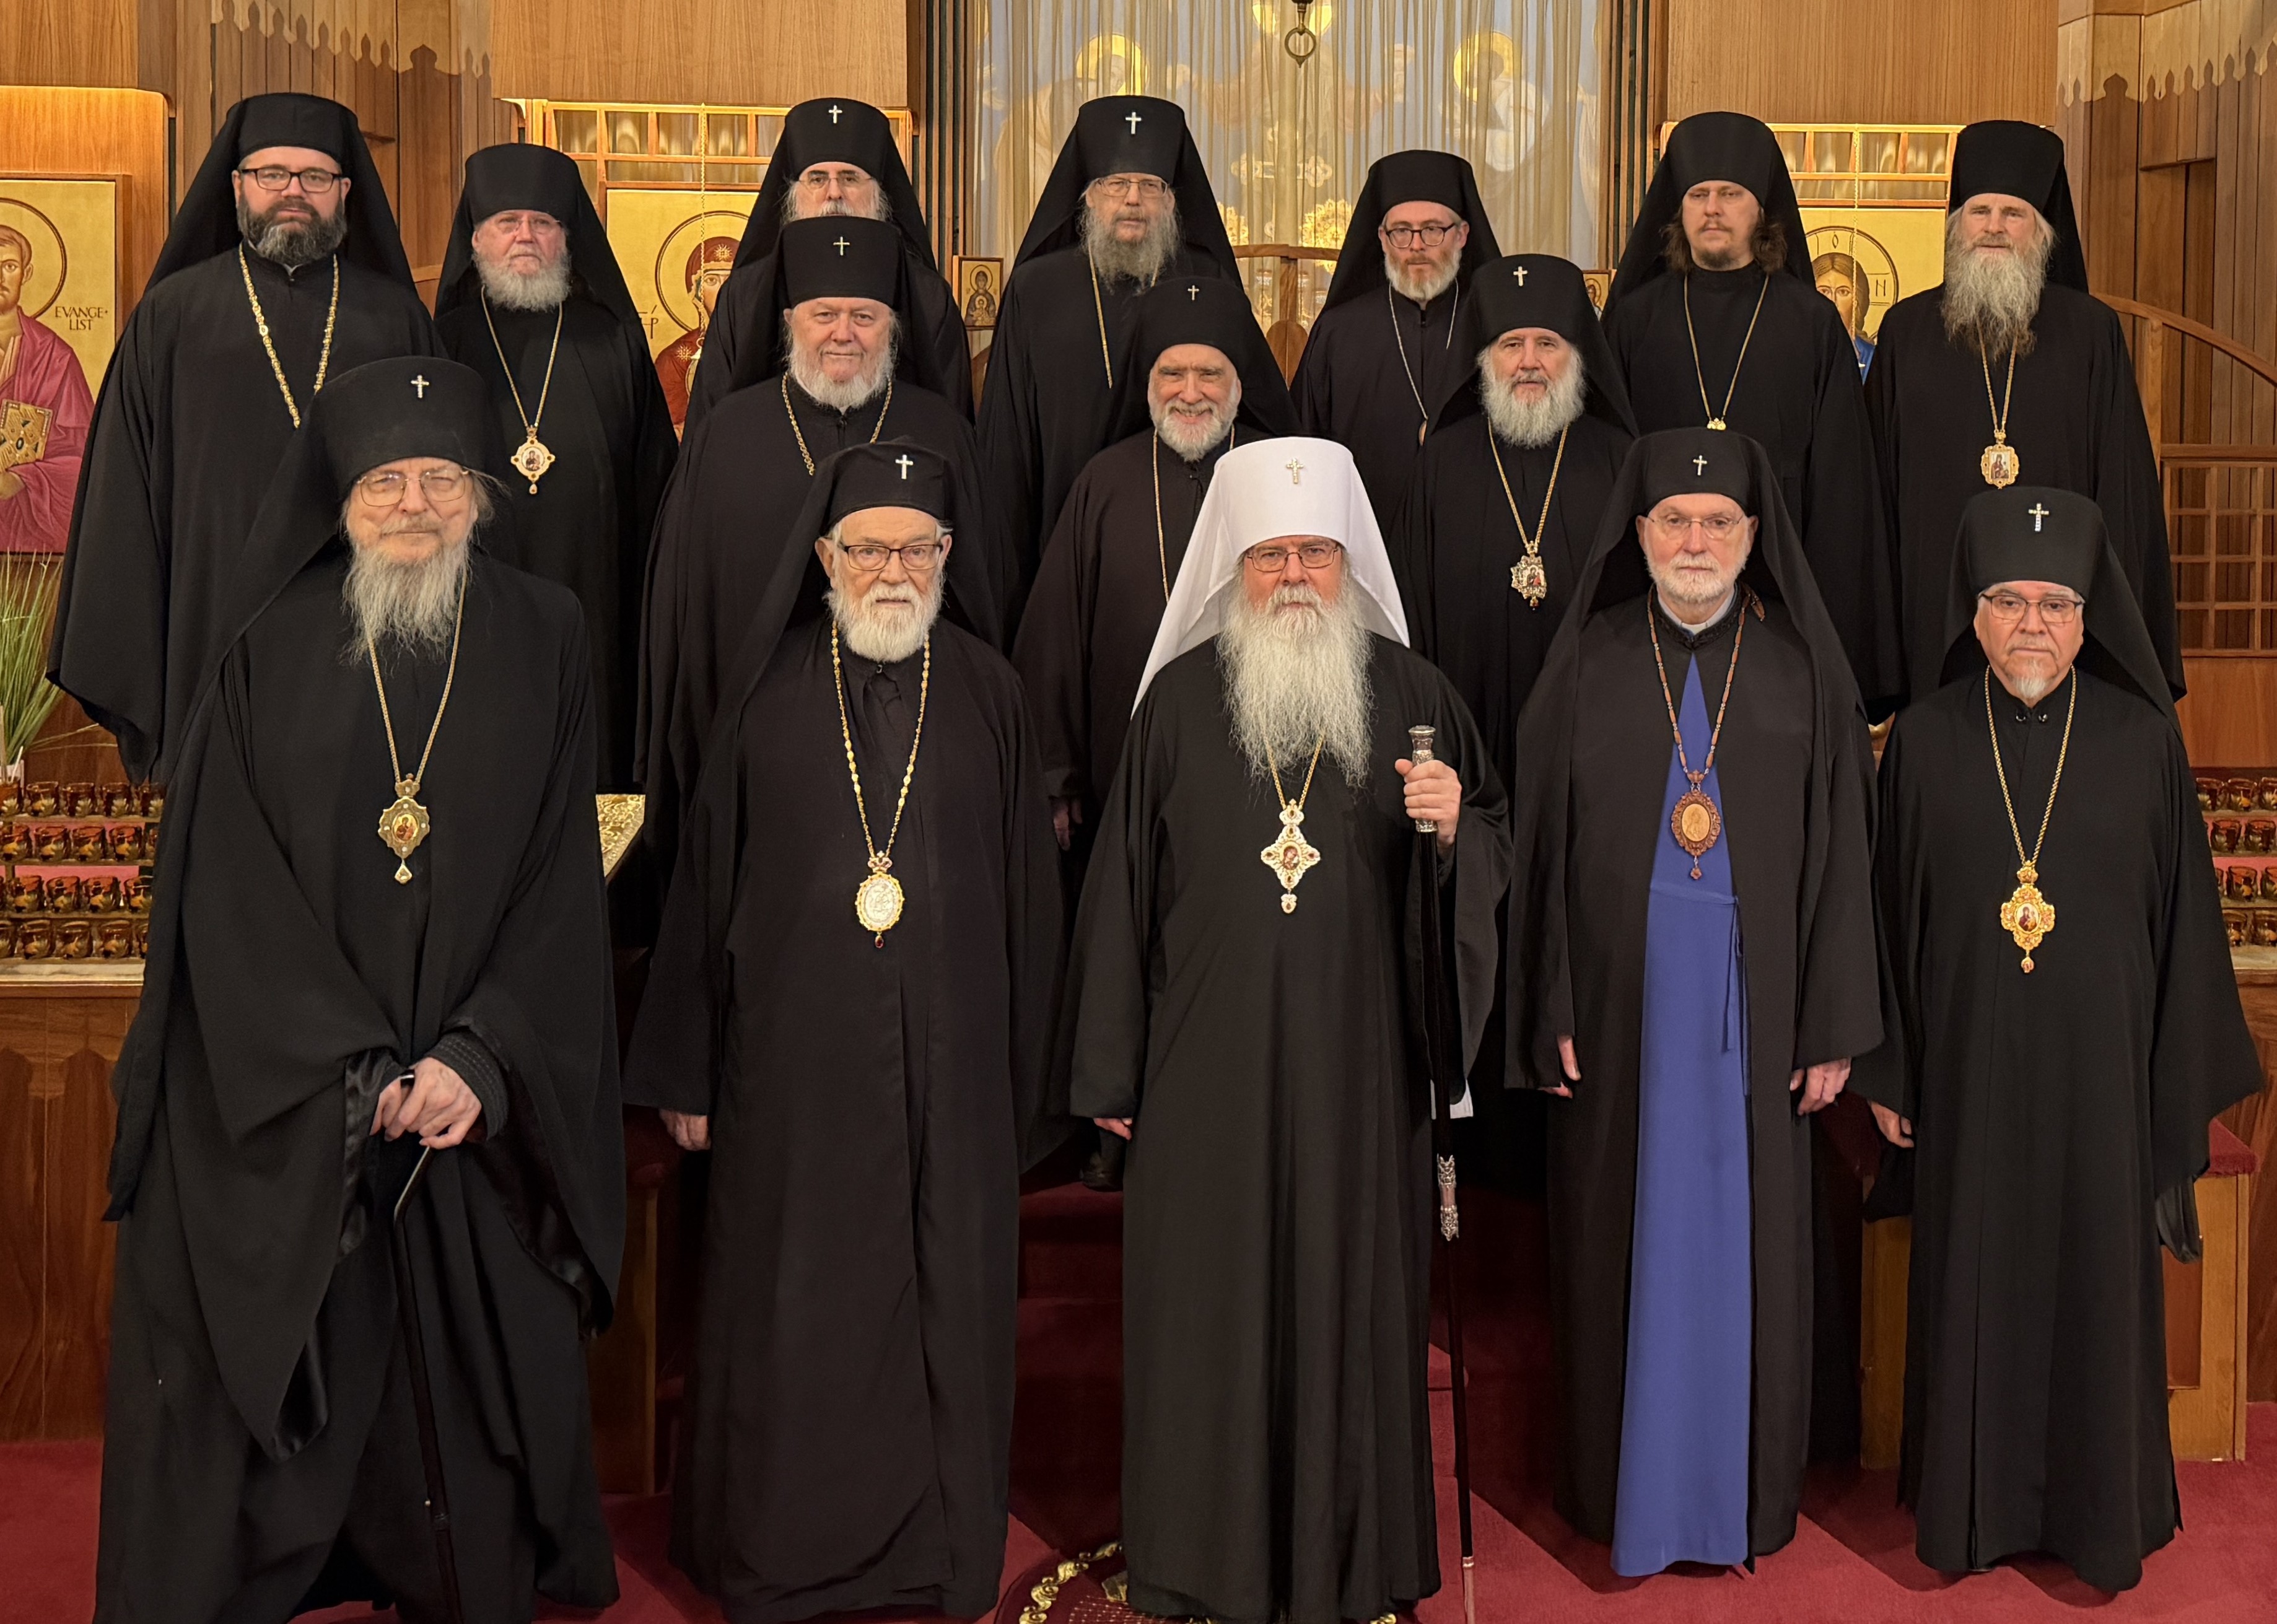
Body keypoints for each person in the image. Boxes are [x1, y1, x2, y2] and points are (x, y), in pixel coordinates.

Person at [94, 356, 623, 1623]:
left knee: (467, 1394)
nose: (414, 503)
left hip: (468, 1099)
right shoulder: (266, 647)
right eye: (386, 478)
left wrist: (480, 1061)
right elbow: (221, 897)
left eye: (442, 478)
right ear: (339, 495)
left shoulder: (545, 632)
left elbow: (564, 878)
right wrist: (350, 1069)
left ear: (480, 497)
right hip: (302, 1099)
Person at [1060, 436, 1511, 1624]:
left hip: (1360, 1070)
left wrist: (1459, 827)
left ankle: (1345, 1563)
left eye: (1317, 552)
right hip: (1203, 1071)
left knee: (1349, 1307)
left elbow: (1492, 848)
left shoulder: (1415, 699)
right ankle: (1199, 1561)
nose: (1298, 575)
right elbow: (1119, 887)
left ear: (1350, 560)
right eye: (1273, 556)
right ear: (1234, 568)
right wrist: (1112, 1062)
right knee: (1203, 1315)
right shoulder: (1176, 700)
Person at [624, 442, 1062, 1623]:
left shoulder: (989, 691)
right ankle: (784, 1552)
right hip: (793, 1075)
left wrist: (1033, 1073)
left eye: (916, 548)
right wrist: (687, 1066)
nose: (891, 569)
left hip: (957, 1066)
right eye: (866, 547)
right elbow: (705, 888)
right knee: (796, 1298)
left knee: (949, 1301)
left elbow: (1030, 893)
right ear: (823, 557)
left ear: (947, 558)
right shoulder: (765, 696)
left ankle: (938, 1549)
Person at [1855, 486, 2260, 1592]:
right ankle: (1972, 1515)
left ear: (2087, 619)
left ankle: (2096, 1515)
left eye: (2053, 603)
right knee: (1968, 1273)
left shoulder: (2142, 742)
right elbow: (1886, 918)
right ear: (1971, 614)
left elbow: (2186, 934)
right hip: (1968, 1074)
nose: (2030, 624)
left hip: (2101, 1084)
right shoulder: (1925, 742)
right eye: (2005, 601)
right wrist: (1890, 1068)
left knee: (2096, 1288)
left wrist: (2168, 1083)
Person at [1505, 428, 1881, 1576]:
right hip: (1622, 1021)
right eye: (1675, 521)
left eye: (1719, 523)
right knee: (1626, 1240)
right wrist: (1550, 996)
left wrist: (1830, 1022)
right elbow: (1544, 852)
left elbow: (1840, 861)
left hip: (1756, 1022)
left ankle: (1738, 1498)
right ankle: (1627, 1493)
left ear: (1754, 539)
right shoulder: (1588, 661)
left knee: (1741, 1249)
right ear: (1639, 533)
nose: (1697, 542)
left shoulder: (1801, 669)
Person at [48, 91, 440, 782]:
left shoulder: (394, 318)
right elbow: (122, 489)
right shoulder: (172, 316)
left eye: (314, 177)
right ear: (237, 185)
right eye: (272, 175)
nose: (293, 192)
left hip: (361, 618)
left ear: (345, 191)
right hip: (209, 614)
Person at [637, 215, 999, 888]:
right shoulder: (727, 434)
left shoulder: (939, 429)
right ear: (789, 322)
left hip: (910, 750)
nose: (843, 333)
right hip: (757, 747)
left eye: (865, 315)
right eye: (823, 313)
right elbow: (684, 609)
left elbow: (980, 596)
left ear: (892, 325)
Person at [1392, 251, 1634, 1187]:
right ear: (1481, 358)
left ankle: (1573, 1151)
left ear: (1576, 353)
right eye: (1509, 343)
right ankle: (1478, 1151)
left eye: (1546, 341)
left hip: (1594, 761)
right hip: (1470, 757)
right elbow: (1409, 623)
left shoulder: (1617, 459)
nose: (1527, 360)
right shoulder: (1445, 460)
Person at [1865, 121, 2180, 707]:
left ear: (2042, 231)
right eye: (1979, 211)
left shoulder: (2090, 333)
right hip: (1933, 610)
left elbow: (2122, 485)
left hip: (2059, 618)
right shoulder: (1906, 332)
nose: (1993, 227)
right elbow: (1875, 491)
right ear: (1957, 224)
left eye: (2013, 213)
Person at [1603, 112, 1896, 709]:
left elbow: (1841, 485)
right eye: (1699, 195)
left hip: (1779, 600)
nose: (1713, 209)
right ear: (1678, 210)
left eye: (1730, 195)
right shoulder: (1636, 321)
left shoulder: (1811, 324)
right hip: (1656, 594)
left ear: (1761, 211)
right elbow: (1610, 465)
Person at [1015, 274, 1298, 861]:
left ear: (1239, 385)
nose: (1190, 393)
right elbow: (1057, 637)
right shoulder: (1105, 483)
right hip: (1128, 765)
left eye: (1209, 374)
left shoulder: (1282, 472)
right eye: (1172, 373)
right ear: (1148, 384)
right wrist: (1055, 777)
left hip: (1272, 763)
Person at [434, 142, 678, 790]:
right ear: (476, 237)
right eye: (507, 222)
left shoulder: (612, 338)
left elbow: (655, 479)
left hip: (596, 601)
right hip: (472, 601)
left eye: (543, 223)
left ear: (567, 238)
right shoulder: (444, 340)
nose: (525, 237)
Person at [977, 95, 1239, 620]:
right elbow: (1006, 440)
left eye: (1150, 187)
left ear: (1171, 202)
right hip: (1057, 542)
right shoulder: (1036, 287)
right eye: (1116, 185)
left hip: (1182, 547)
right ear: (1089, 198)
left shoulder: (1205, 279)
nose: (1133, 200)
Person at [689, 97, 971, 428]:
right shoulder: (744, 296)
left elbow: (951, 429)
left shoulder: (928, 297)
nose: (834, 193)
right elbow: (711, 428)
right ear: (793, 192)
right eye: (818, 178)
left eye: (850, 178)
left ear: (880, 194)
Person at [1291, 150, 1503, 525]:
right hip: (1364, 539)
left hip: (1476, 531)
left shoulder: (1497, 328)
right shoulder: (1339, 333)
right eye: (1401, 231)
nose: (1416, 246)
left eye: (1433, 230)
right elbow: (1304, 449)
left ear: (1462, 236)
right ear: (1382, 239)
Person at [0, 222, 97, 551]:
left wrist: (21, 479)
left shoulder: (55, 358)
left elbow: (85, 457)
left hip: (25, 534)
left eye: (9, 266)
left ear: (25, 273)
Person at [656, 236, 736, 430]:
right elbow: (665, 430)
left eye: (730, 279)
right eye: (711, 280)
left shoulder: (763, 349)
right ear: (697, 292)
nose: (722, 290)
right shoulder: (675, 358)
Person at [1812, 248, 1876, 378]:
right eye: (1824, 291)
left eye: (1843, 292)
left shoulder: (1871, 357)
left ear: (1857, 300)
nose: (1833, 301)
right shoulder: (1798, 351)